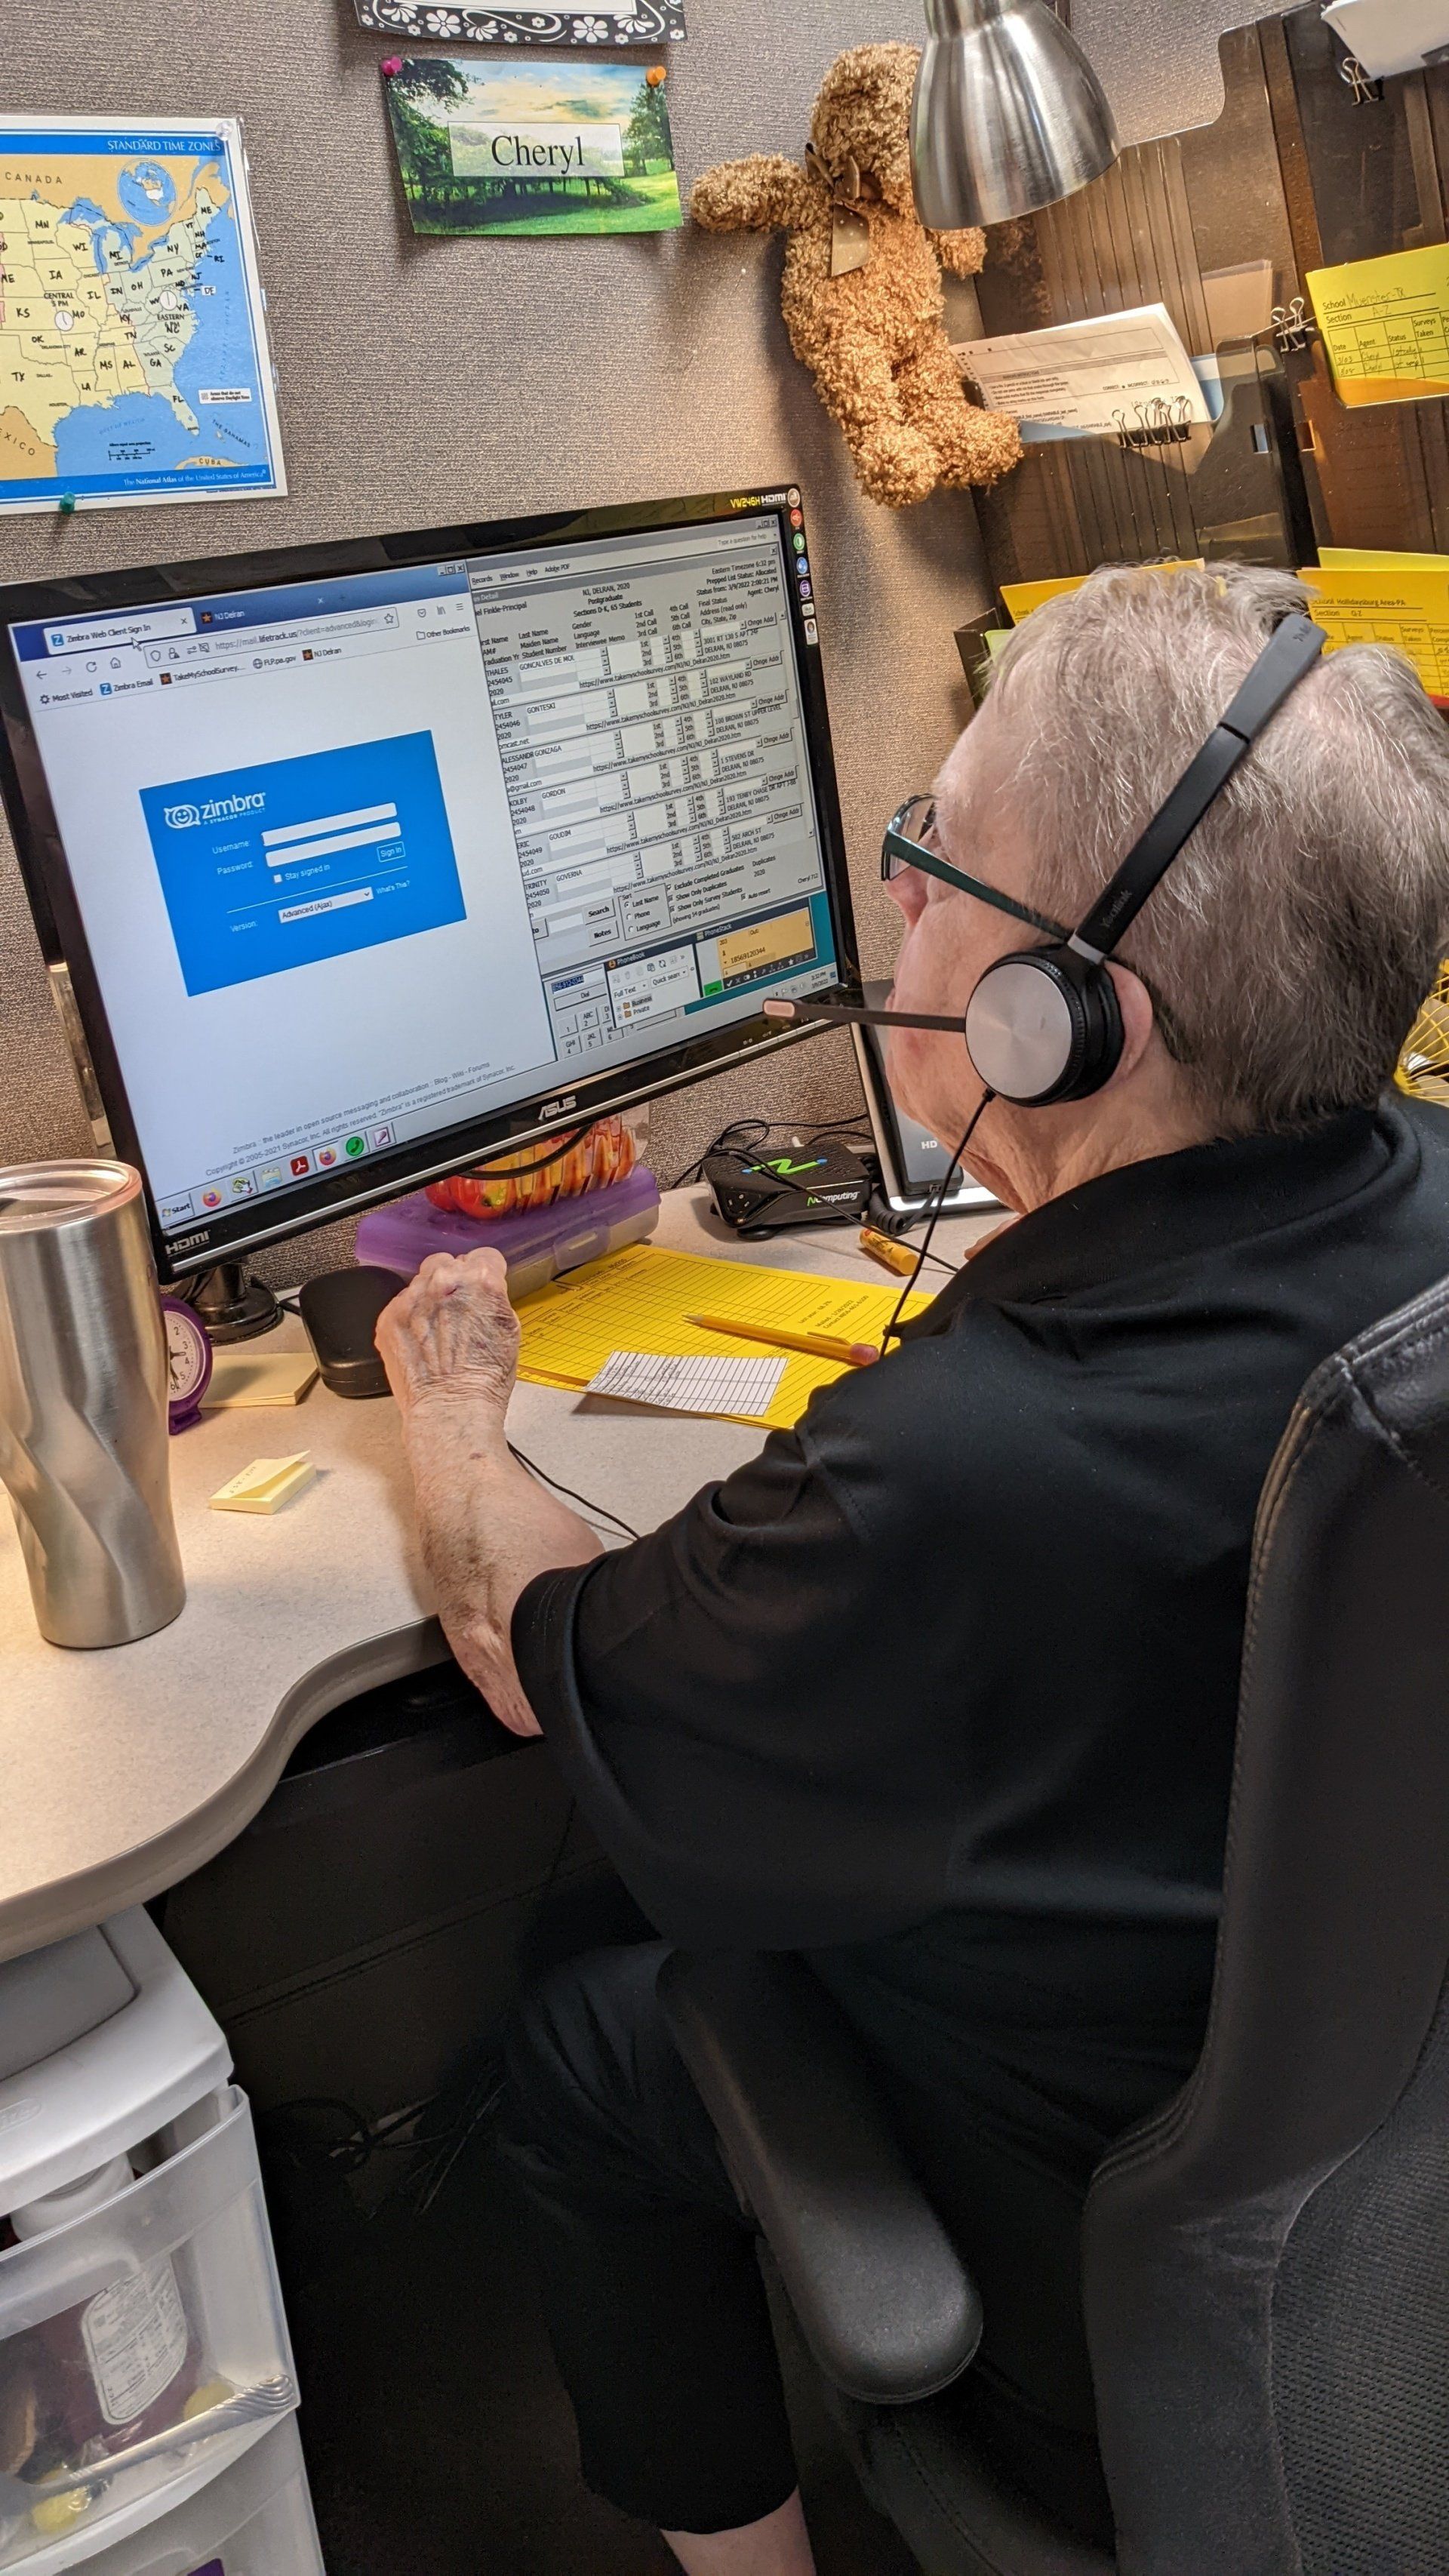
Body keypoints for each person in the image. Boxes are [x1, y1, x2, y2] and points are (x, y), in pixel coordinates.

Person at [377, 563, 1449, 2574]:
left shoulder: (942, 1484)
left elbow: (535, 1648)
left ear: (1063, 1014)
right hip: (1396, 2222)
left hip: (1143, 2300)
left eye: (931, 857)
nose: (895, 911)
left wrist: (444, 1408)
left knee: (594, 2027)